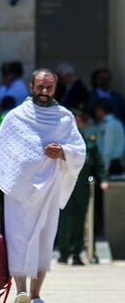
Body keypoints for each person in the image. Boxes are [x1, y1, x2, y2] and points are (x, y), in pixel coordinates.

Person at [0, 69, 86, 303]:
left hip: (50, 188)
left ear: (55, 89)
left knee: (44, 238)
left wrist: (62, 152)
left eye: (49, 88)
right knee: (19, 238)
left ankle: (36, 294)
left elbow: (79, 150)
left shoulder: (64, 117)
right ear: (31, 86)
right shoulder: (16, 117)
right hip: (19, 192)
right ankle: (20, 293)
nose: (44, 92)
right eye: (40, 87)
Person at [57, 109, 108, 266]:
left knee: (80, 220)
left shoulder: (89, 141)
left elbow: (99, 164)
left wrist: (104, 180)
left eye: (78, 121)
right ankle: (64, 251)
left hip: (82, 186)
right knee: (64, 220)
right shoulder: (61, 141)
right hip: (65, 184)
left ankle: (77, 252)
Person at [93, 99, 125, 176]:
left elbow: (108, 147)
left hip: (111, 163)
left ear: (101, 110)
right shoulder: (116, 122)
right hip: (115, 162)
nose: (96, 113)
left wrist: (105, 166)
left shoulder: (108, 125)